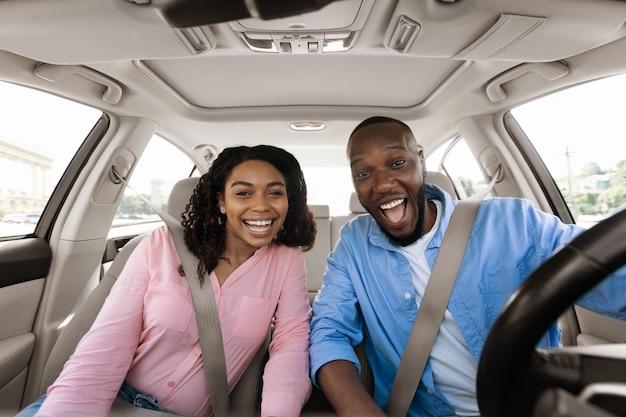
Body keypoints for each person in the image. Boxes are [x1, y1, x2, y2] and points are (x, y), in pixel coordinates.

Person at [308, 116, 626, 416]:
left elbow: (607, 277)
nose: (382, 184)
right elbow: (330, 331)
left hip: (529, 407)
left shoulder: (513, 222)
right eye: (364, 173)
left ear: (421, 160)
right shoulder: (353, 245)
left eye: (396, 163)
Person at [19, 145, 317, 417]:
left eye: (275, 192)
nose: (261, 206)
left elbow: (291, 342)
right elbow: (106, 346)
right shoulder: (161, 244)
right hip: (107, 401)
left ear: (288, 201)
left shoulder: (286, 259)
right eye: (243, 193)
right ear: (221, 202)